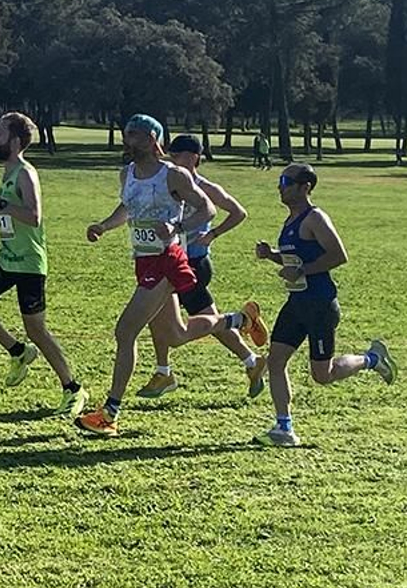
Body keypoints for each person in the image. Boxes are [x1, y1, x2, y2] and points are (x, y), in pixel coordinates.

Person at [75, 114, 266, 437]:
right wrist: (104, 226)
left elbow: (207, 209)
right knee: (175, 335)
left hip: (167, 260)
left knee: (125, 331)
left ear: (152, 138)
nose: (128, 140)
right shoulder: (127, 174)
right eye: (126, 134)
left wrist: (177, 227)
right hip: (144, 261)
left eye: (134, 134)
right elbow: (127, 208)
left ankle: (110, 413)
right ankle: (238, 320)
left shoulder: (173, 175)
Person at [253, 163, 395, 448]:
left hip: (320, 304)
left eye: (286, 181)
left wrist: (303, 270)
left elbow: (338, 255)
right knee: (276, 359)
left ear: (305, 187)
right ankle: (284, 428)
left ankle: (372, 359)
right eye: (280, 181)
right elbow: (295, 260)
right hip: (296, 303)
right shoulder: (291, 220)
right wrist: (272, 255)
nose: (280, 186)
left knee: (323, 375)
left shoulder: (315, 217)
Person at [0, 112, 86, 415]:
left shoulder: (26, 173)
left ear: (15, 141)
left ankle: (73, 389)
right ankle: (17, 351)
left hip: (28, 263)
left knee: (37, 331)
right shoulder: (8, 171)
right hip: (6, 259)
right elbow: (15, 214)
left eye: (0, 134)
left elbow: (34, 216)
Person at [140, 134, 267, 401]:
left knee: (195, 321)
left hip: (194, 264)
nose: (173, 160)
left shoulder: (205, 188)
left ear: (194, 157)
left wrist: (214, 234)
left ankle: (246, 340)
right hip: (169, 261)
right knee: (167, 316)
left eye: (179, 156)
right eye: (171, 155)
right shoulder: (169, 181)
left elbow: (239, 212)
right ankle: (249, 361)